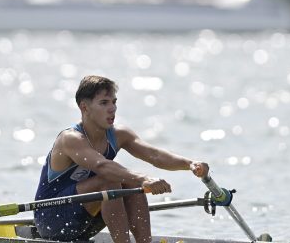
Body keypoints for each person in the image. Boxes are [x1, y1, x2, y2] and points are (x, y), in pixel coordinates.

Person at [34, 75, 210, 243]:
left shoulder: (119, 135)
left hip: (88, 220)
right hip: (51, 219)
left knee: (129, 181)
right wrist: (144, 179)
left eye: (114, 102)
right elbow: (102, 166)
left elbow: (155, 155)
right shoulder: (70, 139)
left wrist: (189, 164)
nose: (112, 109)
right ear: (84, 107)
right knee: (113, 178)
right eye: (104, 103)